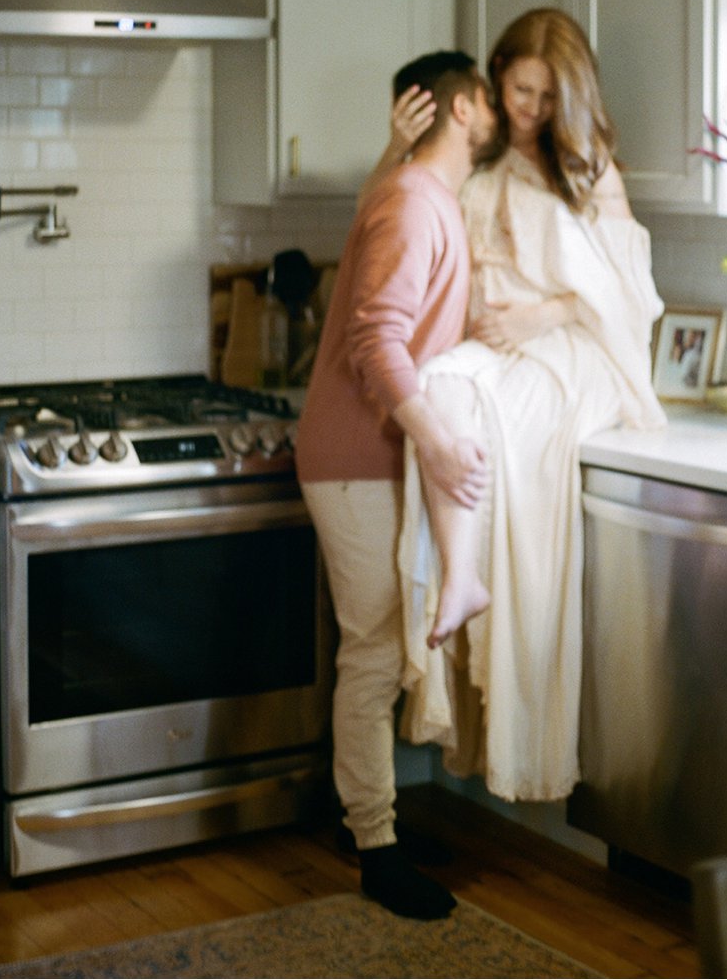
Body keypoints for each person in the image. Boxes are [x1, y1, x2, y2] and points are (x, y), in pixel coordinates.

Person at [394, 8, 667, 805]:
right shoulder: (479, 161)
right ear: (497, 73)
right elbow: (410, 215)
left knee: (500, 420)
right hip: (500, 350)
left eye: (548, 96)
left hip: (576, 354)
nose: (532, 109)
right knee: (439, 390)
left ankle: (497, 637)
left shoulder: (592, 173)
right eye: (520, 89)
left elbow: (626, 300)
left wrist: (538, 316)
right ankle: (464, 578)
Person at [294, 49, 498, 920]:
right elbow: (374, 342)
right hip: (355, 459)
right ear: (461, 108)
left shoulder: (415, 192)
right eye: (494, 98)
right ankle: (375, 846)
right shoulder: (417, 202)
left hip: (368, 457)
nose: (502, 114)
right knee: (375, 653)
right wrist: (441, 442)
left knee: (376, 648)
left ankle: (367, 820)